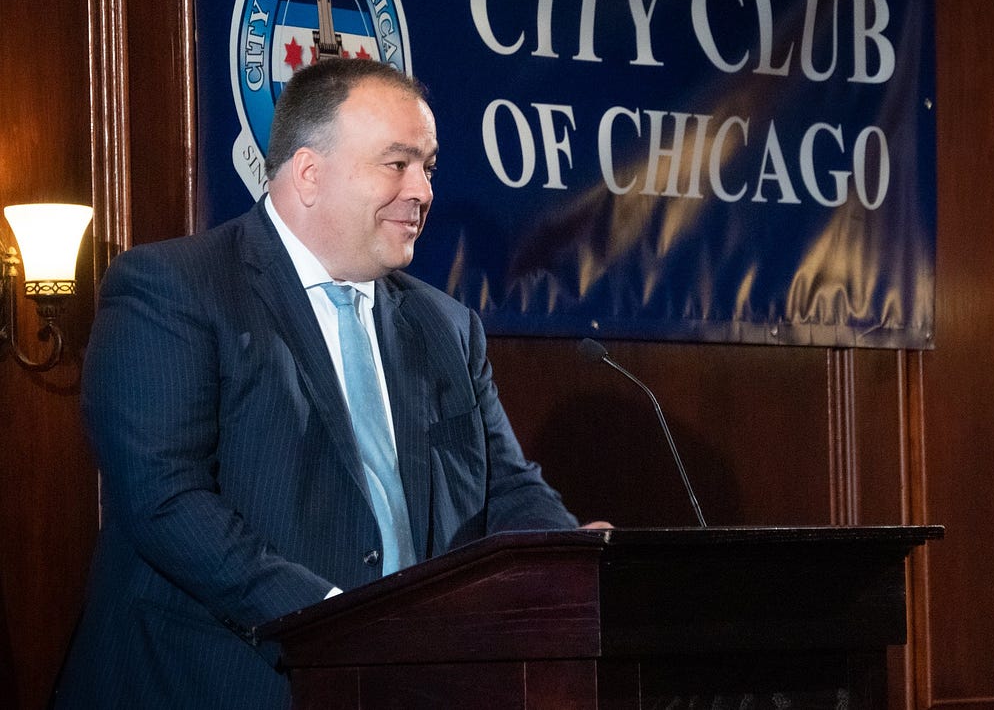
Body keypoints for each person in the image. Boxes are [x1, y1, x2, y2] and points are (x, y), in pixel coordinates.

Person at [54, 58, 603, 708]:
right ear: (309, 172)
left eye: (427, 166)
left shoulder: (447, 326)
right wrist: (333, 622)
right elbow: (166, 501)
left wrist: (578, 568)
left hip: (409, 687)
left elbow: (504, 486)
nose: (422, 190)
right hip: (221, 682)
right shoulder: (174, 289)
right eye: (396, 163)